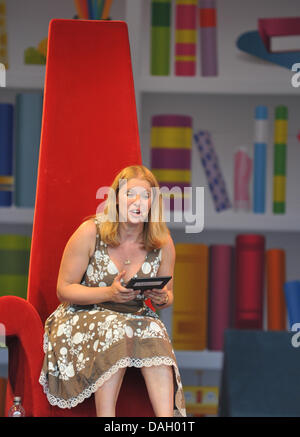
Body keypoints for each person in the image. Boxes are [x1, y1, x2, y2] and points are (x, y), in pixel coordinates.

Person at [39, 164, 187, 417]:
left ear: (153, 203)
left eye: (145, 196)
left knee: (156, 329)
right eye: (130, 194)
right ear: (116, 198)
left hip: (135, 314)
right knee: (116, 328)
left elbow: (168, 294)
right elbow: (64, 290)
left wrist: (162, 297)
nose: (137, 202)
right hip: (83, 313)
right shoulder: (90, 232)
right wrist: (109, 293)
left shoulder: (163, 243)